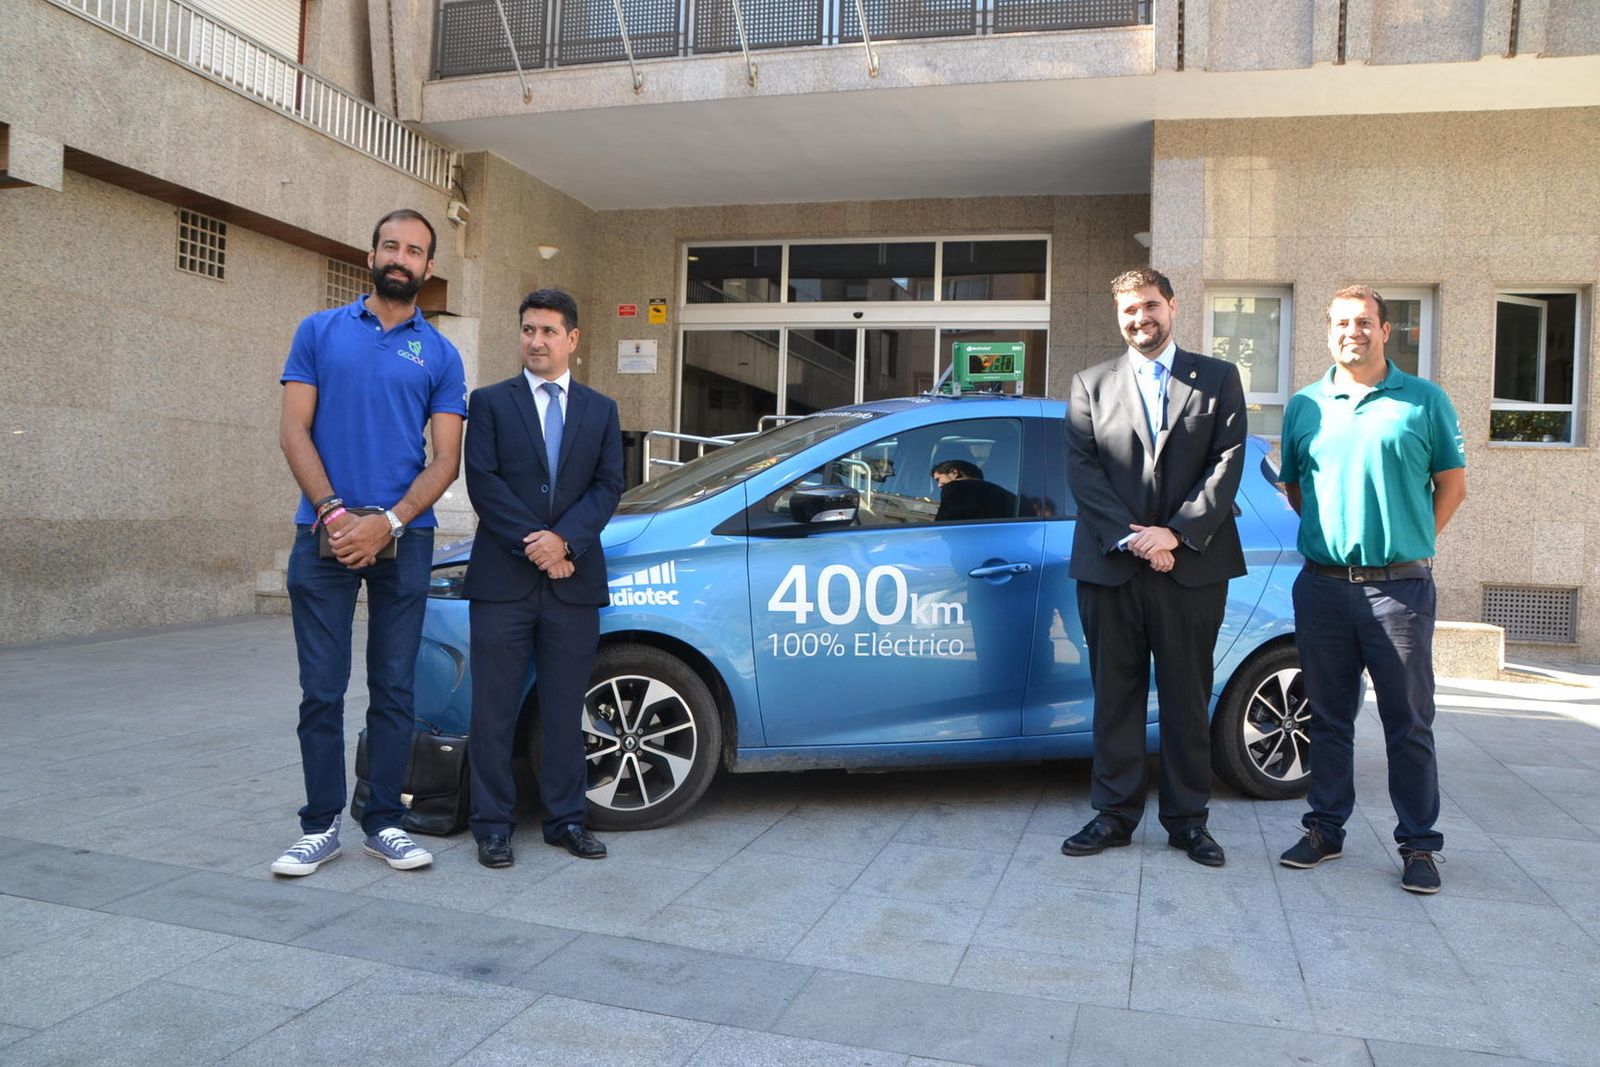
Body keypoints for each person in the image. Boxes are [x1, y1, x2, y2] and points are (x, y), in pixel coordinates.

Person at [271, 209, 467, 877]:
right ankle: (319, 823)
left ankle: (384, 819)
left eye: (415, 250)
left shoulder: (440, 353)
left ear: (428, 268)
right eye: (391, 245)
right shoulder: (318, 331)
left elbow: (445, 458)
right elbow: (294, 430)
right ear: (372, 252)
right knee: (321, 689)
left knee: (394, 688)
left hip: (404, 538)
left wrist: (388, 521)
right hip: (320, 532)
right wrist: (333, 514)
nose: (401, 257)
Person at [1277, 286, 1466, 894]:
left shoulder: (1424, 401)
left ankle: (1418, 844)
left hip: (1400, 590)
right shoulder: (1306, 404)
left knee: (1407, 721)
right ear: (1328, 331)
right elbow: (1296, 490)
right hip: (1323, 588)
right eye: (1340, 322)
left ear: (1387, 330)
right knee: (1327, 718)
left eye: (1363, 321)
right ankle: (1325, 830)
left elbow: (1452, 487)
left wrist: (1408, 542)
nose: (1350, 331)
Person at [1061, 267, 1247, 867]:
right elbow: (1084, 474)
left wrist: (1178, 533)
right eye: (1128, 311)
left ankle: (1188, 821)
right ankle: (1114, 816)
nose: (1140, 318)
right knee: (1114, 697)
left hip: (1191, 565)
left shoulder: (1218, 378)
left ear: (1171, 306)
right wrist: (1135, 539)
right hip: (1111, 567)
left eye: (1149, 306)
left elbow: (1228, 463)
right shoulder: (1089, 385)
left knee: (1187, 698)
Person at [463, 289, 624, 869]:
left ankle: (565, 820)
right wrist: (539, 546)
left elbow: (608, 487)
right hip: (503, 582)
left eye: (548, 331)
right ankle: (492, 825)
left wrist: (567, 543)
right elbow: (483, 482)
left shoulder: (601, 410)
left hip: (573, 582)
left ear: (572, 339)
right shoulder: (489, 403)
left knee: (563, 707)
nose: (536, 341)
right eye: (528, 329)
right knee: (494, 710)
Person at [932, 459, 1017, 521]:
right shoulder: (1008, 495)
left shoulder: (955, 488)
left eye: (938, 479)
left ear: (954, 473)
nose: (939, 485)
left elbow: (945, 523)